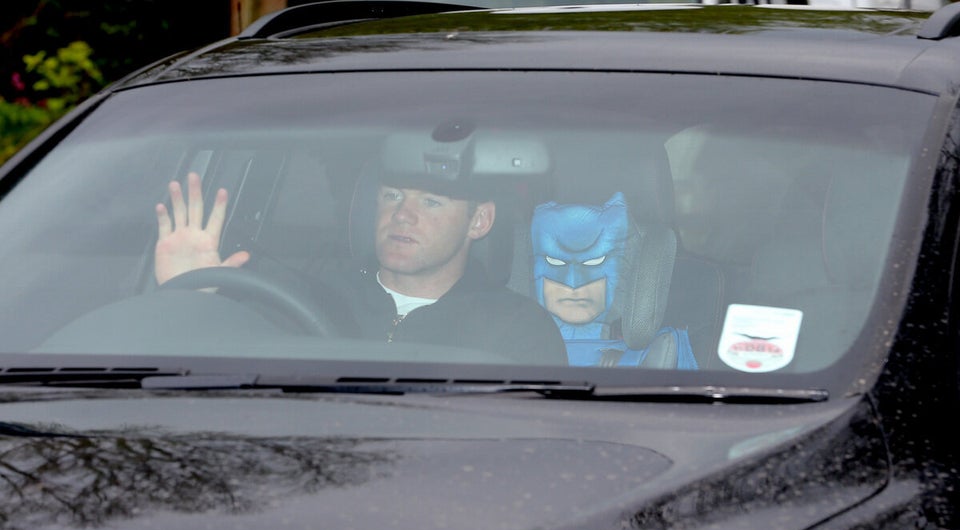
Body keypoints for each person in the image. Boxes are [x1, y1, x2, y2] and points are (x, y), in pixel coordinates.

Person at [154, 155, 568, 366]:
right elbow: (213, 394)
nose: (402, 214)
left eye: (430, 201)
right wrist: (192, 303)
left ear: (479, 220)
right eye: (391, 196)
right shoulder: (303, 298)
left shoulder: (518, 332)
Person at [530, 191, 697, 368]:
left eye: (594, 262)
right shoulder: (506, 345)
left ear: (625, 268)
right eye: (555, 262)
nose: (573, 282)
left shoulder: (661, 354)